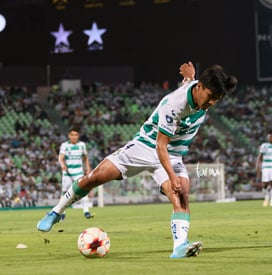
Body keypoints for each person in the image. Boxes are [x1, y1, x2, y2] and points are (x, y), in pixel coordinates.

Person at [37, 61, 238, 259]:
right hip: (146, 146)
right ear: (201, 87)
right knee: (94, 177)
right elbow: (160, 146)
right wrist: (171, 176)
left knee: (182, 194)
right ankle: (55, 212)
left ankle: (179, 247)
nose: (211, 103)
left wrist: (190, 78)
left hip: (173, 154)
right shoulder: (176, 104)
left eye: (216, 100)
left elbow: (192, 87)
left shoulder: (201, 92)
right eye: (211, 97)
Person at [58, 127, 93, 220]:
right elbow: (61, 157)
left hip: (78, 172)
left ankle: (86, 211)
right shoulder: (64, 145)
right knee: (65, 192)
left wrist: (88, 168)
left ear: (78, 136)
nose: (74, 137)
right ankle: (62, 213)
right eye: (72, 135)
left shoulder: (82, 145)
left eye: (76, 135)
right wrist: (62, 165)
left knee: (83, 191)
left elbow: (85, 158)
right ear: (69, 136)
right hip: (67, 173)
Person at [256, 133, 272, 207]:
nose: (271, 138)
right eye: (269, 137)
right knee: (265, 184)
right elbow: (260, 157)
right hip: (265, 167)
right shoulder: (264, 146)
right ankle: (266, 198)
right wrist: (258, 167)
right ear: (267, 138)